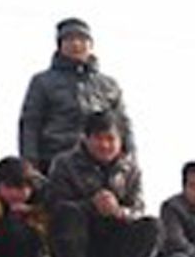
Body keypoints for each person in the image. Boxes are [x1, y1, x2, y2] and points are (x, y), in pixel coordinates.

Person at [43, 112, 151, 257]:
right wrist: (91, 205)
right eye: (98, 139)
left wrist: (118, 211)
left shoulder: (130, 170)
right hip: (78, 241)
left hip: (114, 242)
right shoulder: (65, 164)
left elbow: (138, 209)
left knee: (152, 225)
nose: (105, 145)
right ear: (85, 139)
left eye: (111, 139)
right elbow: (53, 203)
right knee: (66, 213)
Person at [16, 17, 124, 169]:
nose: (76, 44)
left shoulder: (108, 85)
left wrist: (128, 160)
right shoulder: (42, 81)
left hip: (101, 163)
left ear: (91, 45)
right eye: (69, 39)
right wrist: (29, 163)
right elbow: (30, 124)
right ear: (60, 45)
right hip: (54, 160)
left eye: (82, 39)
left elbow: (122, 125)